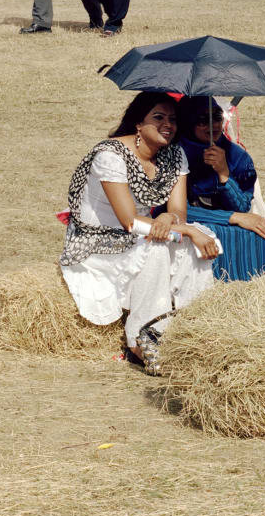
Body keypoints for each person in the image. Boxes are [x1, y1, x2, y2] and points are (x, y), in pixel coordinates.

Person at [59, 91, 221, 372]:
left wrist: (172, 218)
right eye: (158, 118)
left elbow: (178, 212)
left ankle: (192, 329)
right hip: (99, 239)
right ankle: (142, 339)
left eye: (172, 119)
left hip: (143, 231)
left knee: (196, 242)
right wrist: (184, 230)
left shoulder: (173, 154)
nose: (167, 125)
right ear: (138, 123)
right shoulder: (109, 155)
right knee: (158, 248)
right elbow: (128, 222)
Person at [174, 96, 265, 282]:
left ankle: (252, 292)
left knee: (261, 239)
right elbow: (176, 213)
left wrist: (224, 173)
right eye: (202, 120)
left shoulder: (237, 156)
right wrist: (232, 217)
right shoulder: (173, 155)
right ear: (188, 122)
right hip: (189, 225)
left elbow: (242, 207)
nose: (212, 125)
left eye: (217, 117)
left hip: (231, 225)